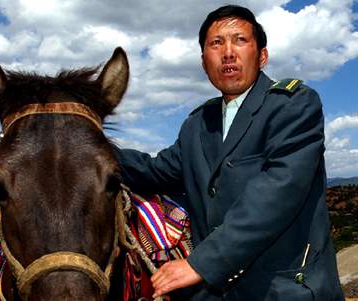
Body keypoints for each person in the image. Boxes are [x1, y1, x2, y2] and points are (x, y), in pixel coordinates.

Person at [115, 5, 344, 301]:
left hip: (283, 290)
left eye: (240, 40)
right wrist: (85, 141)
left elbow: (277, 193)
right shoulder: (197, 124)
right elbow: (155, 171)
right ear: (203, 61)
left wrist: (201, 263)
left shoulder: (294, 105)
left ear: (262, 56)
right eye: (216, 43)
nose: (228, 52)